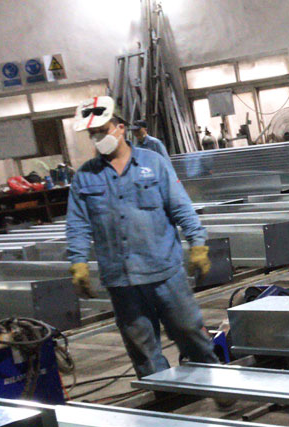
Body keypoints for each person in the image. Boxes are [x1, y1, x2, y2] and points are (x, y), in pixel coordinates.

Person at [65, 96, 219, 380]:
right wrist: (78, 262)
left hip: (164, 271)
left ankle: (215, 382)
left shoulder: (154, 163)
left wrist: (198, 244)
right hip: (121, 280)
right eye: (92, 134)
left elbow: (181, 208)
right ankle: (164, 396)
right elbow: (77, 225)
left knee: (188, 330)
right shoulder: (85, 177)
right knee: (142, 348)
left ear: (120, 127)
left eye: (102, 130)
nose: (97, 138)